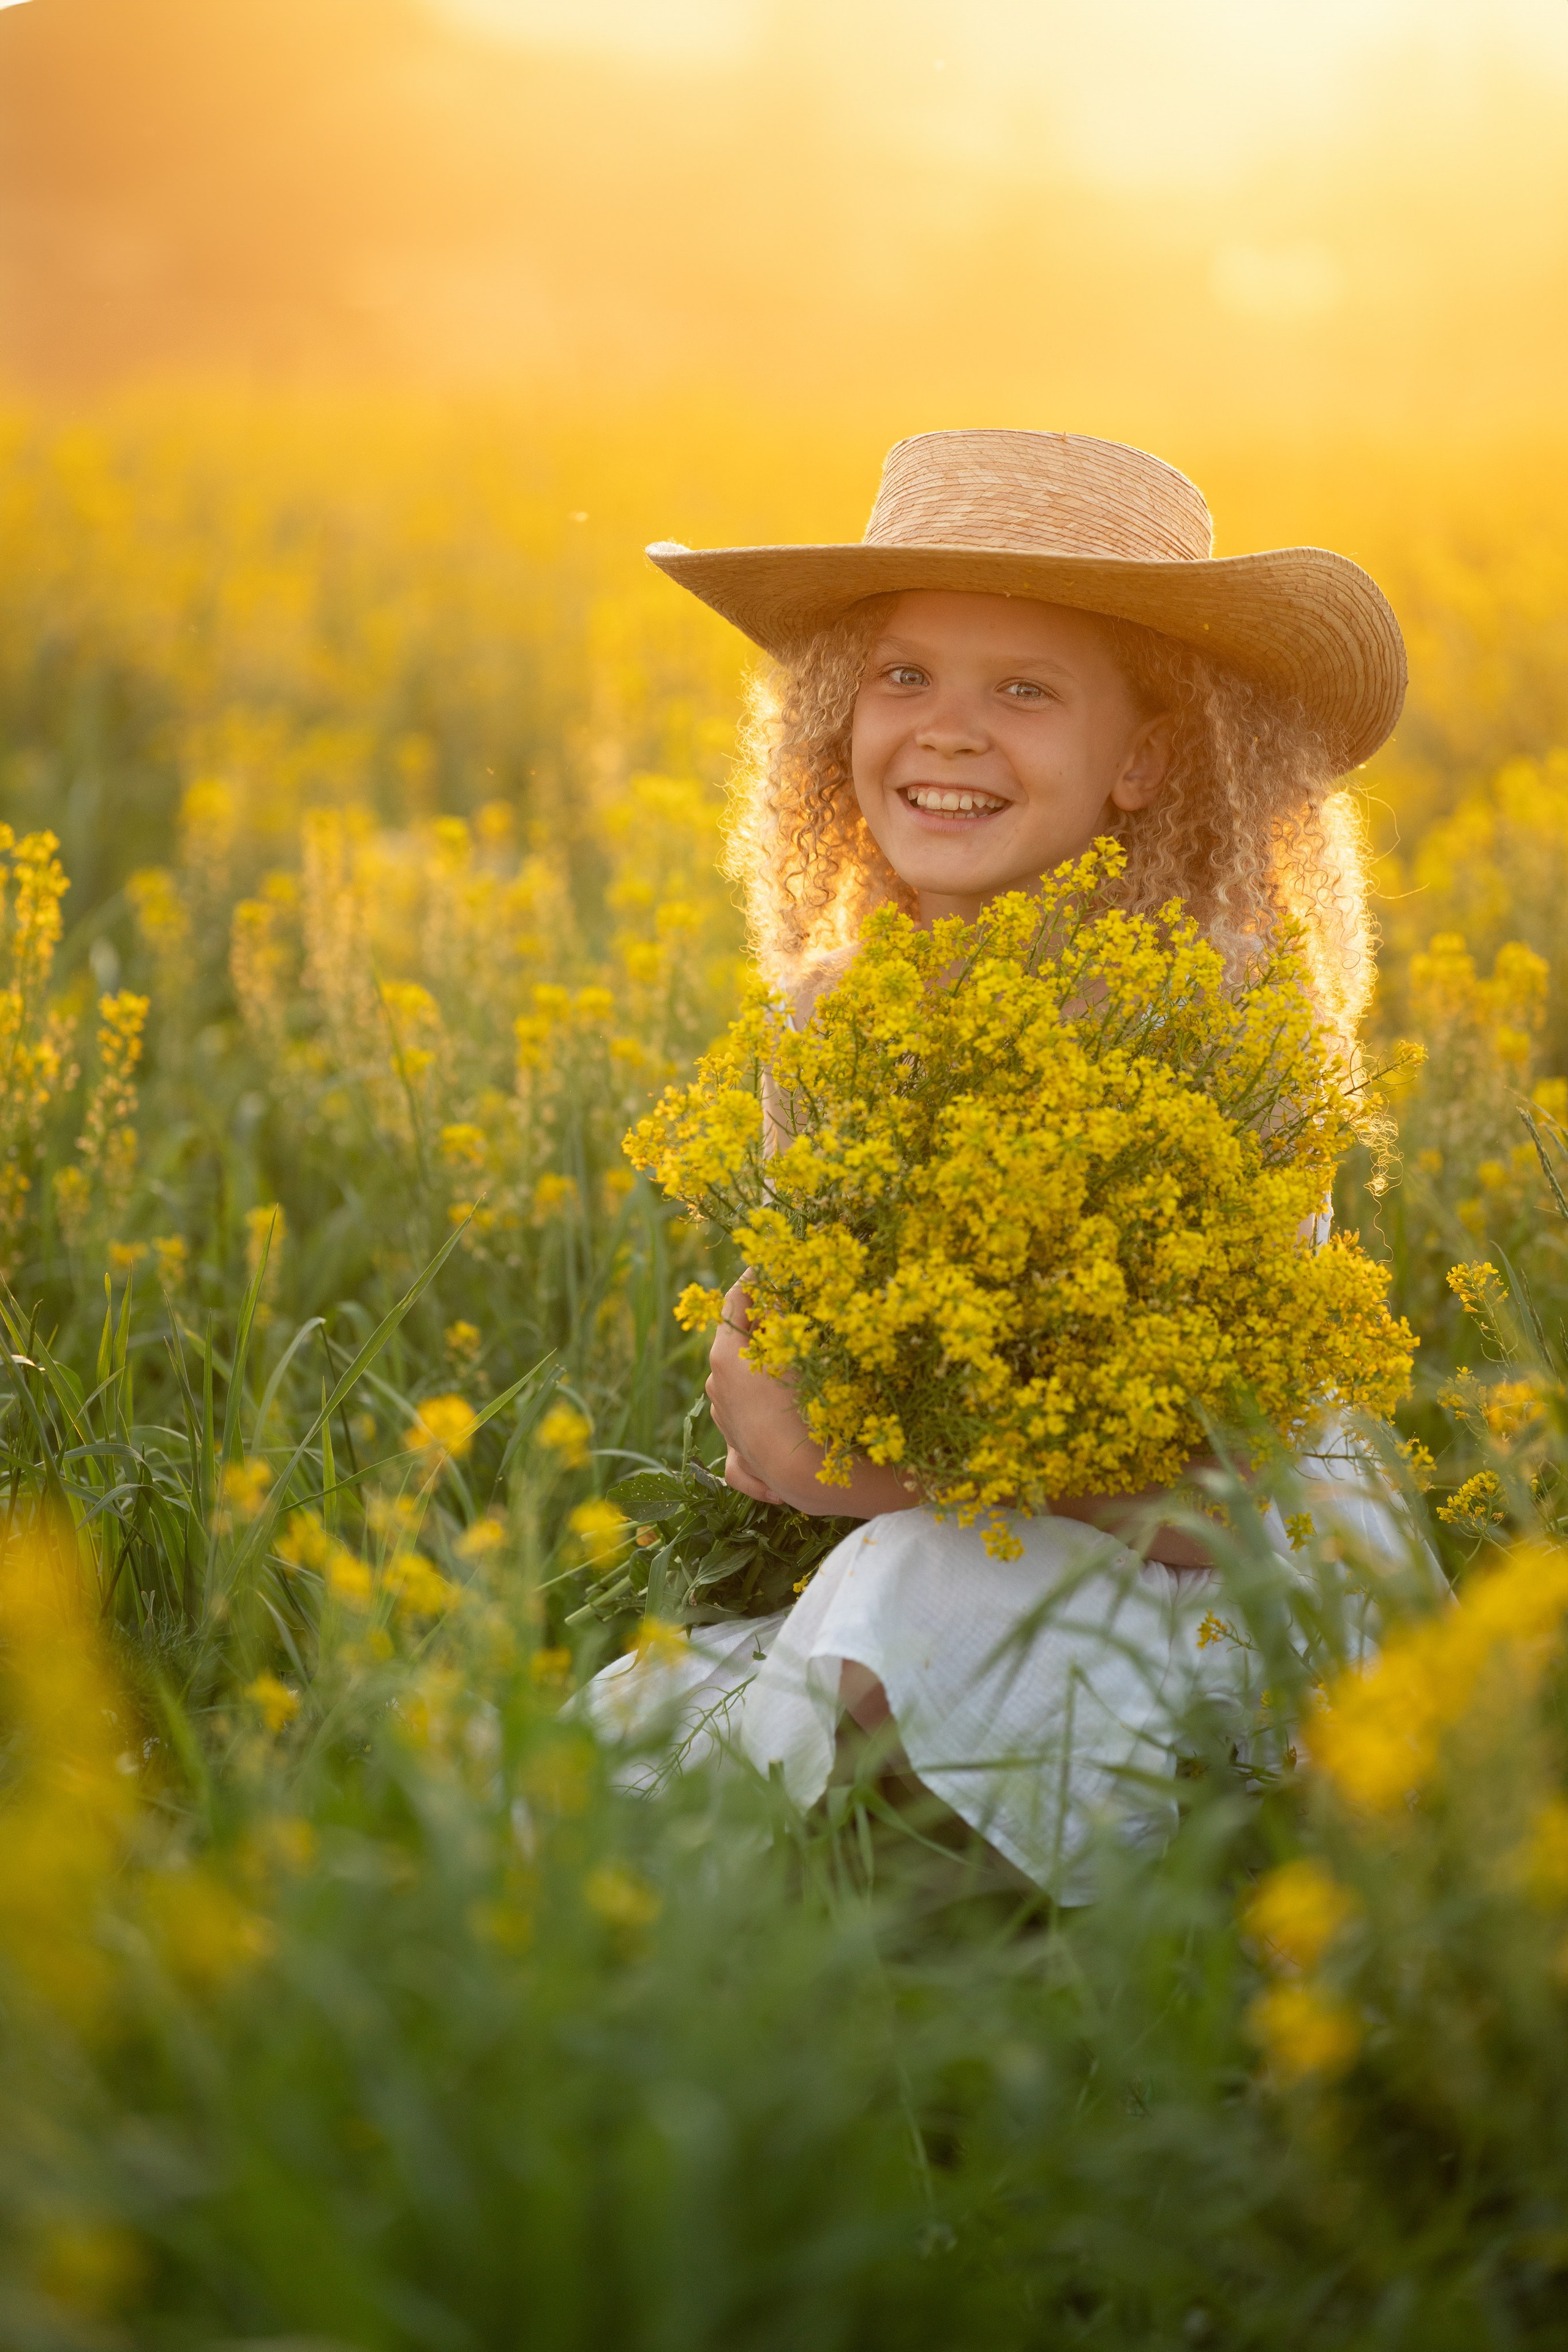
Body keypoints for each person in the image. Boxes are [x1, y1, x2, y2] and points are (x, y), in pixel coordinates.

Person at [582, 428, 1410, 1893]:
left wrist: (846, 1478)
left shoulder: (1219, 1015)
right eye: (903, 676)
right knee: (637, 1727)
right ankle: (754, 1917)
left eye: (1022, 690)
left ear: (1147, 759)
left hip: (1229, 1588)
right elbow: (789, 1359)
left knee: (919, 1590)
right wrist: (791, 1421)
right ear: (838, 721)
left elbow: (1210, 1505)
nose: (947, 730)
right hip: (976, 1541)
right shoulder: (833, 1017)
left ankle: (827, 1932)